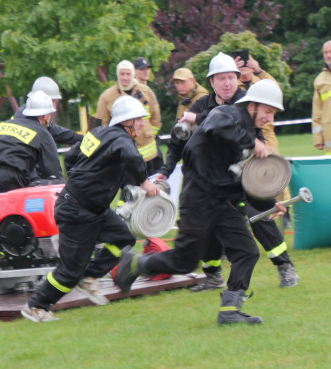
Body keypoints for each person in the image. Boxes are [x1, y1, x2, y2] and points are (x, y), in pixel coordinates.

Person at [116, 79, 287, 326]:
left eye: (273, 113)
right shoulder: (225, 113)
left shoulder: (254, 135)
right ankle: (134, 263)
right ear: (253, 106)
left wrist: (269, 204)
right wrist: (252, 143)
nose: (269, 118)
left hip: (224, 204)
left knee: (247, 252)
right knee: (185, 261)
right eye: (268, 111)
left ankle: (230, 310)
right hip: (198, 199)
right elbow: (215, 129)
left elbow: (250, 182)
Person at [158, 53, 299, 291]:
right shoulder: (202, 104)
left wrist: (270, 190)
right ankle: (213, 275)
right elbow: (178, 140)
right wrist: (165, 170)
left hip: (241, 174)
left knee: (260, 216)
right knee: (209, 224)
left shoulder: (247, 101)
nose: (227, 84)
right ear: (211, 82)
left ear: (237, 79)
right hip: (210, 179)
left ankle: (284, 266)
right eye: (221, 79)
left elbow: (253, 136)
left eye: (231, 78)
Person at [21, 96, 160, 323]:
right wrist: (144, 182)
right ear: (127, 122)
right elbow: (132, 157)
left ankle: (89, 276)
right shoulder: (120, 139)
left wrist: (83, 179)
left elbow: (72, 157)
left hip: (93, 209)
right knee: (68, 273)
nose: (142, 124)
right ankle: (35, 306)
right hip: (77, 212)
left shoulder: (99, 133)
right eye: (139, 120)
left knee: (124, 238)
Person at [0, 92, 62, 195]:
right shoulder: (42, 133)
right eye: (50, 113)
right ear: (44, 115)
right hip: (10, 177)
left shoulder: (0, 126)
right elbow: (54, 174)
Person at [95, 59, 163, 173]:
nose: (125, 77)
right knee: (130, 189)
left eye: (128, 74)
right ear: (117, 75)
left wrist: (149, 133)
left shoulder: (146, 91)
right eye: (122, 74)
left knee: (153, 188)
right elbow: (103, 125)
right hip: (124, 154)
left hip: (149, 155)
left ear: (133, 74)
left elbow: (156, 119)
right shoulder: (107, 96)